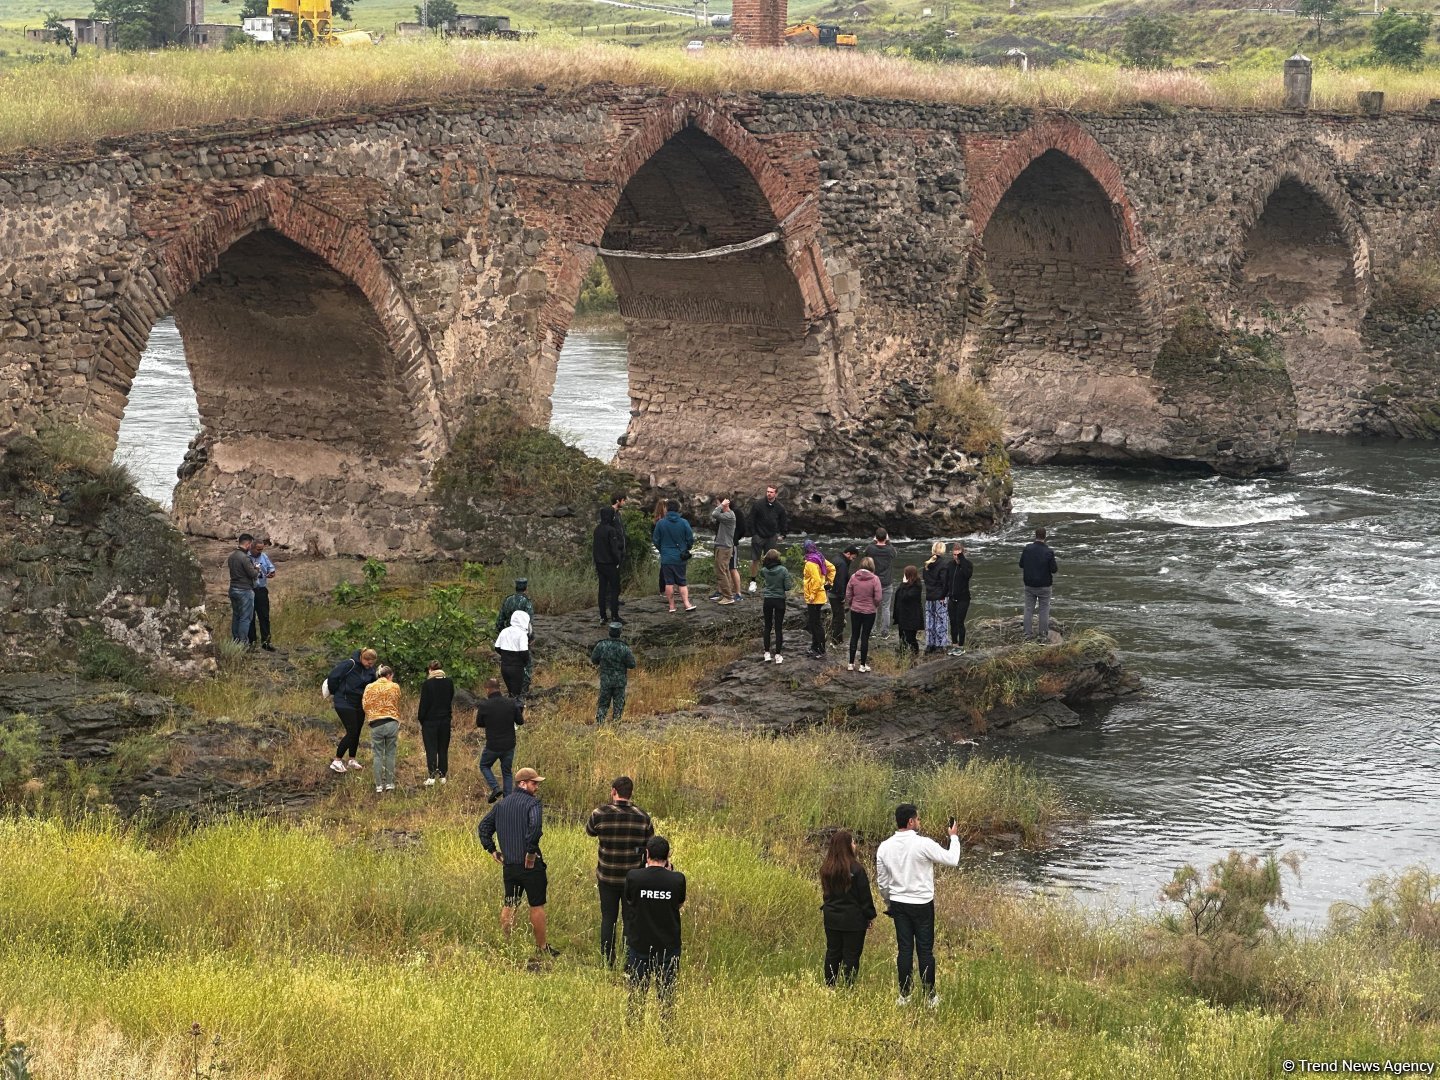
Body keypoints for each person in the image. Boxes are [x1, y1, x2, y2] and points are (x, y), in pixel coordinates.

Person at [875, 802, 961, 1008]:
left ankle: (904, 996)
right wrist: (954, 836)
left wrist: (889, 901)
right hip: (922, 904)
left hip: (898, 903)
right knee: (925, 951)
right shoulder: (923, 844)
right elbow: (952, 859)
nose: (919, 822)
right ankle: (930, 997)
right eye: (918, 819)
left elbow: (882, 882)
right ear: (911, 821)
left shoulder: (884, 847)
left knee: (904, 950)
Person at [477, 767, 556, 957]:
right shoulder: (533, 804)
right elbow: (535, 828)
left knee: (510, 903)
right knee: (536, 905)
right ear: (522, 783)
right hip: (530, 865)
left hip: (509, 864)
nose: (536, 787)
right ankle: (542, 948)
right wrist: (530, 853)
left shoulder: (501, 805)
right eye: (533, 783)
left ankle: (507, 944)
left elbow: (483, 827)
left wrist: (492, 850)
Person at [586, 776, 655, 968]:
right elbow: (649, 844)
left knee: (608, 918)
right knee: (629, 920)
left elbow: (590, 831)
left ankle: (607, 961)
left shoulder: (600, 813)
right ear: (630, 793)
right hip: (632, 878)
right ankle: (627, 961)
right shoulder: (642, 816)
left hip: (607, 875)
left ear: (613, 791)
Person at [624, 835, 686, 1021]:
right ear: (668, 855)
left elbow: (629, 900)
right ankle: (667, 1030)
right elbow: (679, 904)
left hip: (640, 943)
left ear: (647, 854)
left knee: (636, 991)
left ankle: (634, 1026)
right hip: (668, 945)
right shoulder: (677, 879)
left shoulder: (634, 876)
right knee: (666, 993)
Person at [820, 829, 877, 987]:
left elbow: (826, 894)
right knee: (851, 955)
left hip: (831, 917)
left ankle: (830, 985)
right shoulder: (857, 869)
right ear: (846, 846)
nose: (855, 845)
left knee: (833, 952)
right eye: (852, 842)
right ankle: (848, 986)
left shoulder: (826, 868)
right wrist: (869, 915)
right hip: (853, 920)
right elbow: (864, 896)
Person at [327, 647, 377, 774]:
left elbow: (372, 683)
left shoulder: (370, 669)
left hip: (359, 703)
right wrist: (335, 692)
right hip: (343, 702)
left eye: (372, 664)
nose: (369, 666)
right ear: (362, 658)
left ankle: (352, 759)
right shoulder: (350, 664)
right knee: (352, 731)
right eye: (368, 663)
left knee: (357, 731)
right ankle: (337, 761)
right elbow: (333, 676)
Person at [475, 677, 523, 802]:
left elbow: (479, 723)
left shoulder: (484, 705)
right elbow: (520, 721)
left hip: (493, 745)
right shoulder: (511, 703)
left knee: (484, 765)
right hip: (509, 744)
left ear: (488, 689)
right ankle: (508, 800)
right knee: (507, 772)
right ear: (499, 688)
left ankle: (495, 787)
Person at [362, 665, 402, 794]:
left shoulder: (369, 687)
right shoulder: (394, 686)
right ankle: (389, 783)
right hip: (391, 722)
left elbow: (365, 705)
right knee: (390, 753)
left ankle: (379, 785)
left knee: (377, 755)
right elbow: (397, 700)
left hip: (376, 723)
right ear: (389, 675)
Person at [651, 500, 696, 613]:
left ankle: (672, 606)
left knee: (669, 582)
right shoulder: (684, 522)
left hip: (666, 557)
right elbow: (690, 538)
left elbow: (655, 540)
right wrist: (686, 548)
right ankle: (686, 604)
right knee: (682, 581)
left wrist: (662, 550)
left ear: (667, 509)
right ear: (678, 509)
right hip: (680, 556)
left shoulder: (660, 523)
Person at [590, 621, 637, 724]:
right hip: (619, 682)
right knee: (618, 705)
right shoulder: (624, 647)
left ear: (609, 632)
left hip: (605, 680)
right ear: (620, 633)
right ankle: (616, 725)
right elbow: (632, 664)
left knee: (603, 704)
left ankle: (600, 725)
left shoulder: (601, 645)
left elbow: (594, 659)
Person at [494, 580, 536, 694]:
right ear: (526, 588)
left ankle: (512, 692)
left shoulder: (508, 600)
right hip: (522, 637)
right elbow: (529, 622)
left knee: (508, 667)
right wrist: (531, 637)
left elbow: (499, 620)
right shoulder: (526, 602)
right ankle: (523, 691)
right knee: (525, 665)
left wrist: (502, 634)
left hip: (507, 637)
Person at [417, 660, 454, 786]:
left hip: (430, 721)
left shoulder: (427, 684)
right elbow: (450, 699)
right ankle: (443, 775)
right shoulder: (449, 682)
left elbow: (424, 705)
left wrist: (421, 719)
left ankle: (432, 775)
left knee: (431, 748)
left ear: (430, 670)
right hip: (445, 720)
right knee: (443, 748)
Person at [1019, 526, 1059, 642]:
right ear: (1045, 537)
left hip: (1029, 584)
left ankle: (1027, 634)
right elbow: (1054, 569)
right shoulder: (1048, 552)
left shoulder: (1027, 549)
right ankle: (1042, 635)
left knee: (1028, 609)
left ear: (1035, 536)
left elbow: (1021, 564)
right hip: (1044, 585)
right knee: (1044, 610)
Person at [746, 486, 789, 592]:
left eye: (771, 492)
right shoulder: (758, 504)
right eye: (767, 492)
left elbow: (783, 522)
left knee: (771, 560)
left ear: (776, 494)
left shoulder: (780, 507)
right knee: (755, 559)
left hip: (771, 536)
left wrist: (783, 535)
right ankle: (753, 581)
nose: (769, 494)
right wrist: (754, 533)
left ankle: (769, 582)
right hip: (758, 536)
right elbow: (751, 519)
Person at [844, 556, 882, 672]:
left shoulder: (853, 577)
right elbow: (878, 597)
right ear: (871, 566)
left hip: (855, 610)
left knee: (854, 635)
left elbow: (848, 594)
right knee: (865, 637)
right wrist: (874, 605)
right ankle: (862, 665)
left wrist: (851, 604)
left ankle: (850, 664)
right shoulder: (875, 579)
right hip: (869, 612)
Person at [758, 548, 794, 664]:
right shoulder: (783, 570)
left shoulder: (764, 570)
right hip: (779, 600)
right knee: (778, 628)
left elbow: (762, 576)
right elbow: (788, 587)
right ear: (778, 558)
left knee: (767, 627)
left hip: (768, 600)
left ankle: (767, 653)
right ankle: (778, 655)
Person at [593, 500, 627, 625]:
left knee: (602, 589)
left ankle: (602, 616)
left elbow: (595, 548)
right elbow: (614, 549)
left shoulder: (597, 529)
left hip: (599, 563)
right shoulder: (611, 530)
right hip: (610, 564)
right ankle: (615, 615)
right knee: (614, 589)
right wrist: (618, 560)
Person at [801, 540, 835, 660]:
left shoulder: (810, 562)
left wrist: (812, 594)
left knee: (816, 624)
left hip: (814, 598)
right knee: (815, 623)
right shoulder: (819, 557)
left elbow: (815, 579)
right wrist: (829, 582)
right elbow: (832, 568)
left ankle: (820, 649)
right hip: (820, 596)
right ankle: (815, 647)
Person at [863, 529, 897, 638]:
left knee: (873, 607)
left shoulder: (871, 548)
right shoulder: (889, 549)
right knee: (886, 608)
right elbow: (895, 554)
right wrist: (889, 542)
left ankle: (872, 631)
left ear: (876, 537)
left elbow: (865, 553)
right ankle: (884, 633)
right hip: (887, 582)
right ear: (886, 537)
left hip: (873, 582)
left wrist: (874, 542)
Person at [226, 533, 259, 645]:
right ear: (248, 544)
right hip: (244, 590)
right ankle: (243, 643)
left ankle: (235, 641)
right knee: (245, 618)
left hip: (233, 588)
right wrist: (257, 569)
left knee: (236, 616)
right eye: (251, 544)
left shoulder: (232, 556)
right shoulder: (244, 558)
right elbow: (252, 574)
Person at [493, 609, 531, 702]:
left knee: (511, 692)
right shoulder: (522, 634)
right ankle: (515, 713)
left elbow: (497, 647)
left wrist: (506, 656)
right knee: (516, 694)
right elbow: (524, 653)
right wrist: (524, 663)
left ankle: (510, 712)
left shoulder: (504, 631)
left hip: (504, 666)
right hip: (516, 668)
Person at [246, 538, 276, 652]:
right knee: (251, 617)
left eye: (261, 549)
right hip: (250, 589)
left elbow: (271, 567)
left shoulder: (264, 556)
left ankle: (266, 642)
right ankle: (252, 642)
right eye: (258, 549)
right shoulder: (246, 558)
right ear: (252, 548)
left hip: (262, 589)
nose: (259, 552)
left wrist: (271, 572)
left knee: (264, 617)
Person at [921, 541, 951, 655]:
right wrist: (945, 595)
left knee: (930, 620)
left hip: (929, 596)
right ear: (942, 550)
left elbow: (926, 580)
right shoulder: (944, 564)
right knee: (941, 620)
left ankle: (930, 645)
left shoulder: (927, 564)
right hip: (940, 597)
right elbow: (945, 582)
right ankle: (940, 645)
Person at [892, 565, 924, 660]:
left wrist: (904, 585)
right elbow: (898, 595)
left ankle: (915, 653)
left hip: (912, 617)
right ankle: (902, 654)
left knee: (910, 638)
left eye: (905, 574)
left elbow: (906, 596)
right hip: (902, 615)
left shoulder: (917, 586)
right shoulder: (904, 585)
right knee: (902, 637)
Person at [947, 543, 973, 656]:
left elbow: (967, 575)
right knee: (952, 622)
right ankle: (954, 645)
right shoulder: (950, 565)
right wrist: (944, 595)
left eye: (958, 555)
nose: (956, 557)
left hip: (963, 599)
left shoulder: (967, 565)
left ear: (962, 554)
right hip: (952, 598)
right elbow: (946, 581)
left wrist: (962, 560)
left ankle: (961, 646)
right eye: (954, 554)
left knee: (959, 622)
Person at [710, 497, 737, 604]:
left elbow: (714, 514)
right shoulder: (726, 516)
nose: (717, 506)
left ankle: (729, 597)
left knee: (721, 572)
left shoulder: (729, 515)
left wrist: (722, 505)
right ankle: (727, 594)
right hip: (722, 546)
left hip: (724, 547)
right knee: (724, 571)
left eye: (718, 503)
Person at [830, 547, 858, 647]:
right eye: (853, 558)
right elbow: (840, 581)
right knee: (839, 619)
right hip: (836, 594)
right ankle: (835, 642)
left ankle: (838, 639)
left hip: (832, 592)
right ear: (848, 554)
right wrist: (842, 597)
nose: (853, 560)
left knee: (837, 617)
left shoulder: (837, 558)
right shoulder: (842, 564)